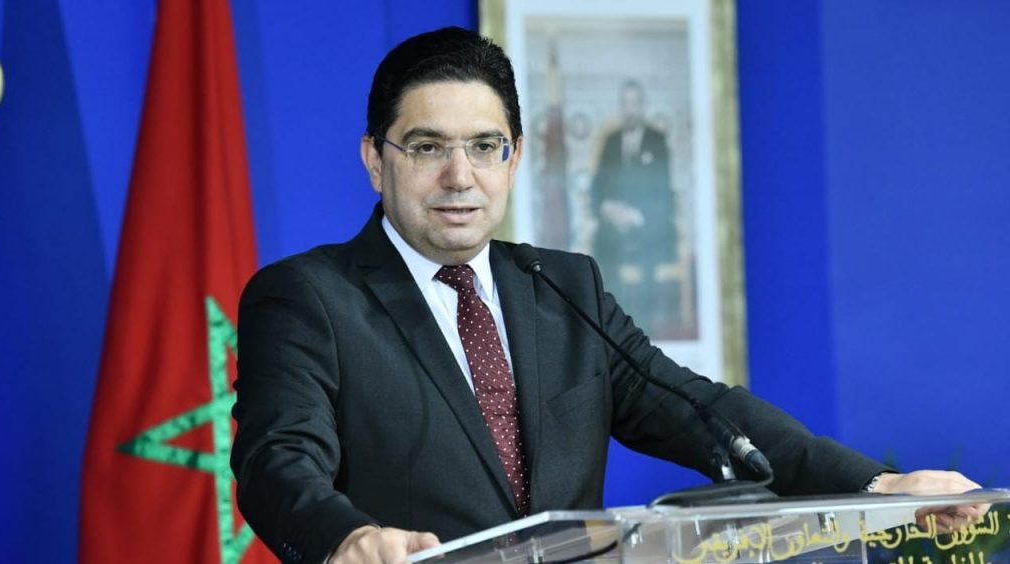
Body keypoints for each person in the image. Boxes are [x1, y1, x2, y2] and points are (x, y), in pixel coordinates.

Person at [230, 27, 982, 564]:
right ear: (375, 159)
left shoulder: (563, 287)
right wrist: (347, 538)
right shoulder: (308, 297)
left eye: (485, 147)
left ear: (514, 159)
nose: (460, 176)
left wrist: (877, 484)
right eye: (428, 147)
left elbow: (702, 412)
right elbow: (277, 459)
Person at [591, 79, 680, 335]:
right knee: (603, 244)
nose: (630, 110)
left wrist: (636, 215)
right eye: (626, 104)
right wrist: (607, 208)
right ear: (621, 107)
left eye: (635, 104)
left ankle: (643, 327)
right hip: (615, 223)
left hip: (647, 221)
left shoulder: (657, 141)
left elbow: (663, 190)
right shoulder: (611, 141)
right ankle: (612, 325)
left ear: (643, 106)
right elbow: (598, 185)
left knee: (650, 246)